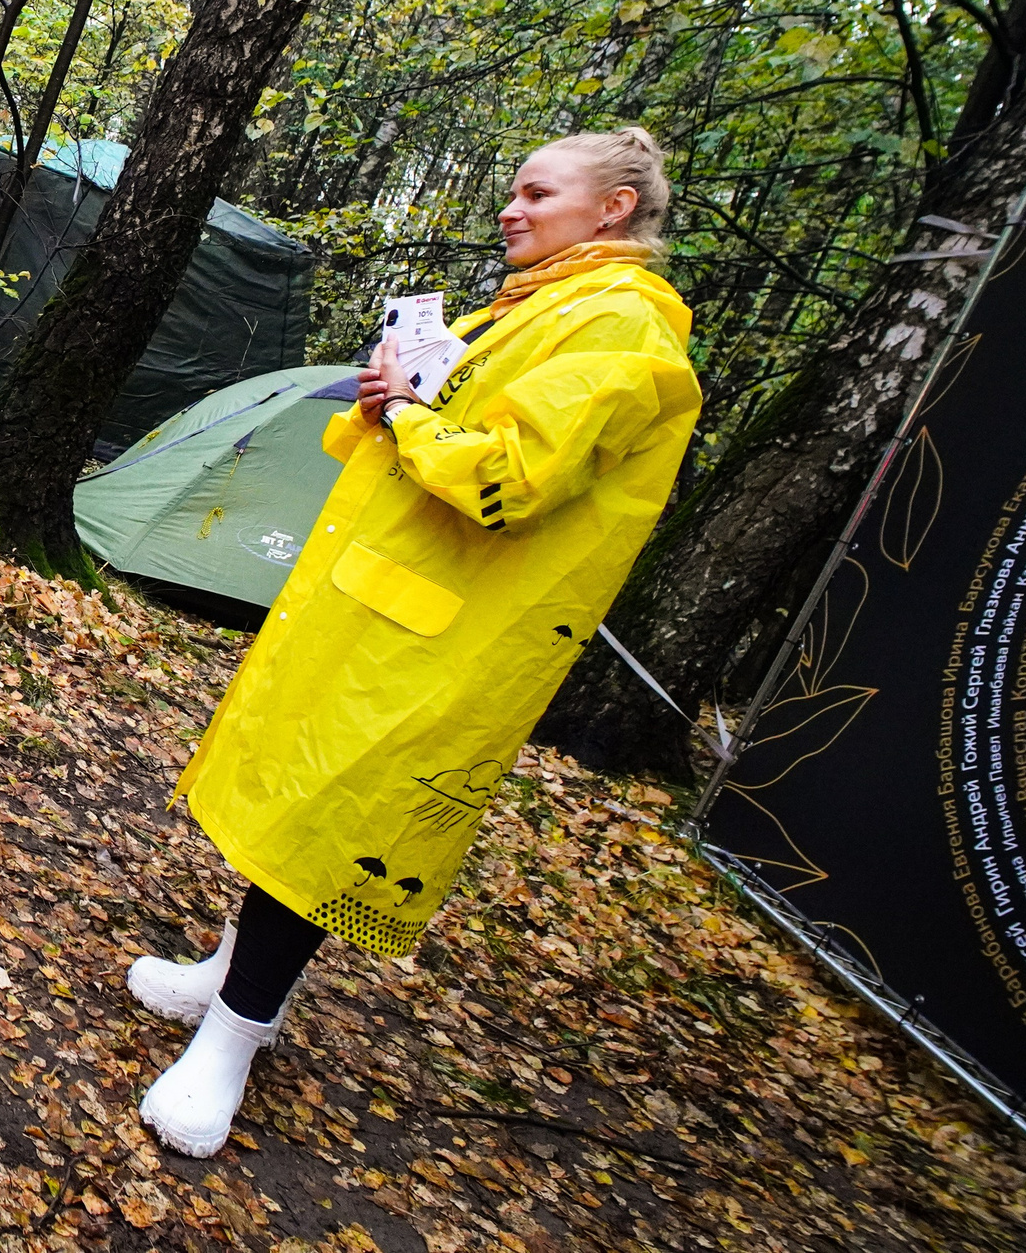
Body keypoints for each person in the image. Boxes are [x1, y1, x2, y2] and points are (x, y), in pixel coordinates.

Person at [126, 127, 701, 1156]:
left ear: (612, 209)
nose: (511, 211)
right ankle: (228, 973)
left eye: (537, 193)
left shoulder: (621, 330)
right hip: (377, 610)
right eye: (512, 192)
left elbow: (511, 481)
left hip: (442, 639)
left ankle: (235, 1036)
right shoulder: (531, 310)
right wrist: (385, 408)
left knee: (330, 828)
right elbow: (433, 431)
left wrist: (411, 418)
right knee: (296, 807)